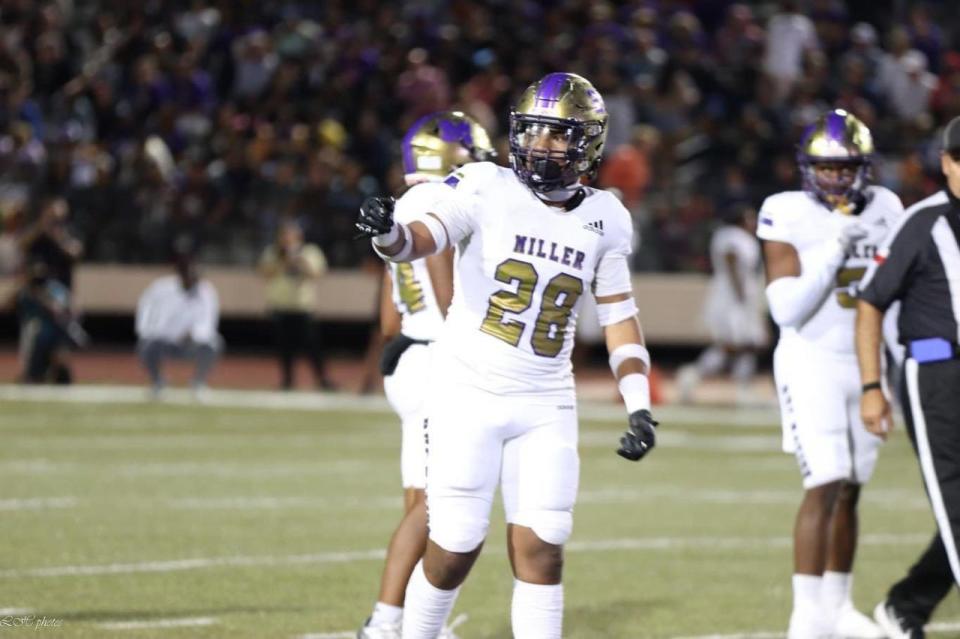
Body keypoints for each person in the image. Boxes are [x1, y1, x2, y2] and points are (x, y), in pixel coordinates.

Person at [356, 72, 659, 639]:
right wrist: (388, 235)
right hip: (468, 390)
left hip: (545, 399)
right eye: (534, 132)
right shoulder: (483, 184)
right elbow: (423, 238)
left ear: (587, 143)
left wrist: (638, 405)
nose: (542, 146)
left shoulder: (608, 218)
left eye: (558, 134)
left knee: (543, 550)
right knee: (453, 550)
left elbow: (620, 314)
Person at [757, 109, 904, 639]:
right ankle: (807, 616)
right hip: (810, 359)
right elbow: (785, 309)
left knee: (853, 488)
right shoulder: (784, 210)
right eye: (825, 167)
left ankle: (839, 607)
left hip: (866, 362)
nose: (836, 178)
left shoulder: (887, 207)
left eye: (845, 168)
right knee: (825, 480)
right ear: (807, 167)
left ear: (864, 167)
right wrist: (832, 252)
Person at [357, 111, 495, 639]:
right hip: (440, 357)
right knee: (442, 503)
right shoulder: (441, 201)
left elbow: (390, 314)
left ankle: (410, 620)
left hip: (409, 353)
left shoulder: (403, 203)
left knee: (421, 500)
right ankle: (390, 620)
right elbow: (448, 293)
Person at [856, 115, 960, 639]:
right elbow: (871, 303)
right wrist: (873, 387)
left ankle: (906, 604)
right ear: (946, 163)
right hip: (937, 372)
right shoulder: (923, 222)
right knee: (957, 499)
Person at [676, 204, 767, 405]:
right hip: (731, 295)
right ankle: (694, 376)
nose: (753, 222)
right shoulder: (732, 235)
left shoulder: (733, 235)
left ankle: (742, 389)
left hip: (739, 292)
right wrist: (740, 292)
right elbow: (731, 260)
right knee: (735, 344)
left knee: (748, 344)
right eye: (749, 218)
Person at [257, 219, 334, 390]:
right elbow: (264, 273)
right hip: (281, 306)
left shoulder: (309, 252)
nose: (287, 238)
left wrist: (298, 259)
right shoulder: (273, 252)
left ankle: (322, 379)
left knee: (313, 346)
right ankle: (287, 380)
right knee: (284, 348)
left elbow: (317, 273)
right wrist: (283, 260)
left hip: (302, 307)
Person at [135, 252, 221, 398]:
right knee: (145, 346)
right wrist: (146, 331)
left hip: (191, 342)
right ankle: (157, 382)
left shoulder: (206, 291)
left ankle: (198, 383)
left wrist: (194, 334)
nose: (191, 280)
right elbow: (146, 308)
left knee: (214, 344)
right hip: (163, 339)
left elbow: (209, 321)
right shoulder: (161, 287)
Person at [16, 260, 88, 384]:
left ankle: (61, 379)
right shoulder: (26, 290)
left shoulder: (54, 288)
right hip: (37, 330)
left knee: (60, 356)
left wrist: (43, 298)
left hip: (57, 329)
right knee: (34, 358)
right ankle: (33, 375)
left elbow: (63, 309)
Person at [18, 197, 83, 291]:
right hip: (36, 287)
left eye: (57, 219)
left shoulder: (70, 231)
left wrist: (57, 237)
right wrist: (41, 226)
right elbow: (22, 245)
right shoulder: (38, 233)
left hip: (60, 287)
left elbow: (76, 253)